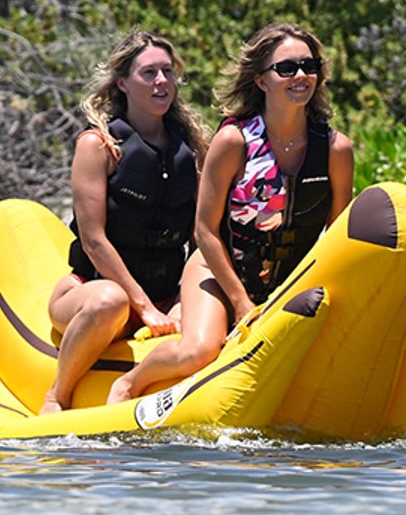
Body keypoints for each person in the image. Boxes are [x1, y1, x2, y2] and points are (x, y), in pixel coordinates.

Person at [107, 22, 356, 404]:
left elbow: (338, 236)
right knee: (200, 352)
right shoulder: (234, 141)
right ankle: (130, 383)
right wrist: (241, 302)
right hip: (217, 272)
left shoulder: (336, 150)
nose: (301, 75)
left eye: (310, 66)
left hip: (290, 281)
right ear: (261, 81)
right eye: (286, 68)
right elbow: (204, 230)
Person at [42, 31, 208, 414]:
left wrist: (185, 300)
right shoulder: (97, 146)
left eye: (168, 71)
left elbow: (202, 236)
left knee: (202, 320)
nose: (162, 81)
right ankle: (58, 395)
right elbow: (93, 240)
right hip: (92, 291)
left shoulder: (194, 147)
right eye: (149, 73)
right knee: (110, 301)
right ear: (122, 83)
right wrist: (145, 308)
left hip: (166, 293)